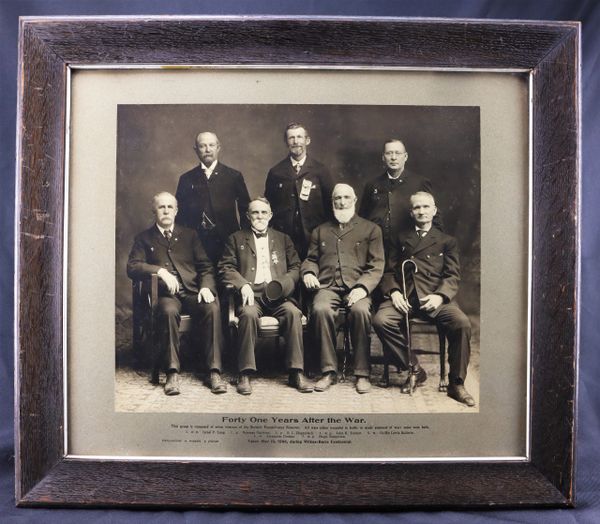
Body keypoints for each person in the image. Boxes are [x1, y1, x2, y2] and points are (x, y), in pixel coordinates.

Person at [373, 191, 474, 407]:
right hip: (405, 299)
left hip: (434, 299)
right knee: (381, 320)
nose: (421, 211)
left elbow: (452, 275)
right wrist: (394, 292)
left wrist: (440, 296)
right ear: (411, 212)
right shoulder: (400, 239)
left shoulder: (447, 241)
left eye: (426, 207)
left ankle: (457, 383)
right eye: (417, 207)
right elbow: (389, 271)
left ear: (434, 210)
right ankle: (414, 368)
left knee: (462, 323)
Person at [127, 192, 227, 396]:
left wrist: (206, 287)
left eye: (169, 207)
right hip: (165, 295)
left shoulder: (190, 235)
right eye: (161, 207)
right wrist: (159, 271)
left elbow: (206, 266)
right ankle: (172, 371)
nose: (165, 211)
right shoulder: (144, 238)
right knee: (168, 311)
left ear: (176, 211)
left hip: (191, 291)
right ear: (153, 211)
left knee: (212, 306)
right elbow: (133, 266)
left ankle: (214, 370)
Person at [219, 197, 312, 395]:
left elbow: (296, 267)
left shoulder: (283, 238)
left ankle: (296, 371)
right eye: (255, 212)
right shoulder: (235, 238)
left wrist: (283, 285)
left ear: (270, 216)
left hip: (279, 296)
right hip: (251, 296)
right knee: (249, 315)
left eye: (263, 212)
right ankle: (245, 373)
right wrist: (242, 284)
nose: (259, 216)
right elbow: (225, 267)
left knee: (293, 313)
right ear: (247, 215)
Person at [301, 183, 385, 394]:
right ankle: (329, 371)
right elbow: (310, 259)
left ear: (355, 201)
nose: (342, 202)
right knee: (320, 309)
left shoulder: (371, 229)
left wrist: (363, 288)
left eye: (347, 197)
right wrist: (309, 272)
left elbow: (377, 265)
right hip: (328, 285)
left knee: (360, 311)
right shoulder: (320, 230)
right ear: (332, 202)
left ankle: (362, 373)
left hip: (357, 287)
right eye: (337, 198)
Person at [175, 131, 251, 264]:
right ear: (196, 150)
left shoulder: (233, 176)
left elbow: (246, 210)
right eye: (202, 146)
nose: (208, 150)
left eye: (211, 145)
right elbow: (179, 214)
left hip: (227, 242)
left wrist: (241, 238)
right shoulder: (186, 179)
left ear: (218, 147)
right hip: (196, 243)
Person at [265, 122, 334, 257]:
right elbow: (268, 206)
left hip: (314, 236)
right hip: (285, 238)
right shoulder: (276, 172)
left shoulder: (320, 170)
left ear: (307, 140)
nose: (296, 142)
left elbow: (330, 204)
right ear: (286, 142)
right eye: (291, 138)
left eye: (299, 137)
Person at [359, 138, 442, 248]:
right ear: (383, 157)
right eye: (389, 153)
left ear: (405, 157)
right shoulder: (372, 185)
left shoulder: (420, 183)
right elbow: (362, 218)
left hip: (409, 247)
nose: (393, 157)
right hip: (378, 247)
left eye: (398, 153)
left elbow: (434, 217)